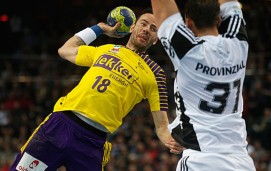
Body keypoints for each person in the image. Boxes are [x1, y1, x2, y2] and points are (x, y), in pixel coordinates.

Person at [10, 9, 182, 171]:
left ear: (156, 39)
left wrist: (173, 141)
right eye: (143, 24)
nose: (146, 30)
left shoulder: (155, 73)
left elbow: (162, 126)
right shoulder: (105, 49)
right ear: (132, 27)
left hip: (92, 142)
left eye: (153, 29)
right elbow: (65, 50)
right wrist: (99, 29)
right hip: (60, 125)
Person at [151, 0, 256, 170]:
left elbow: (162, 10)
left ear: (188, 23)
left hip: (201, 160)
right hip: (240, 161)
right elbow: (230, 4)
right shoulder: (239, 44)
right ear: (219, 20)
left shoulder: (188, 52)